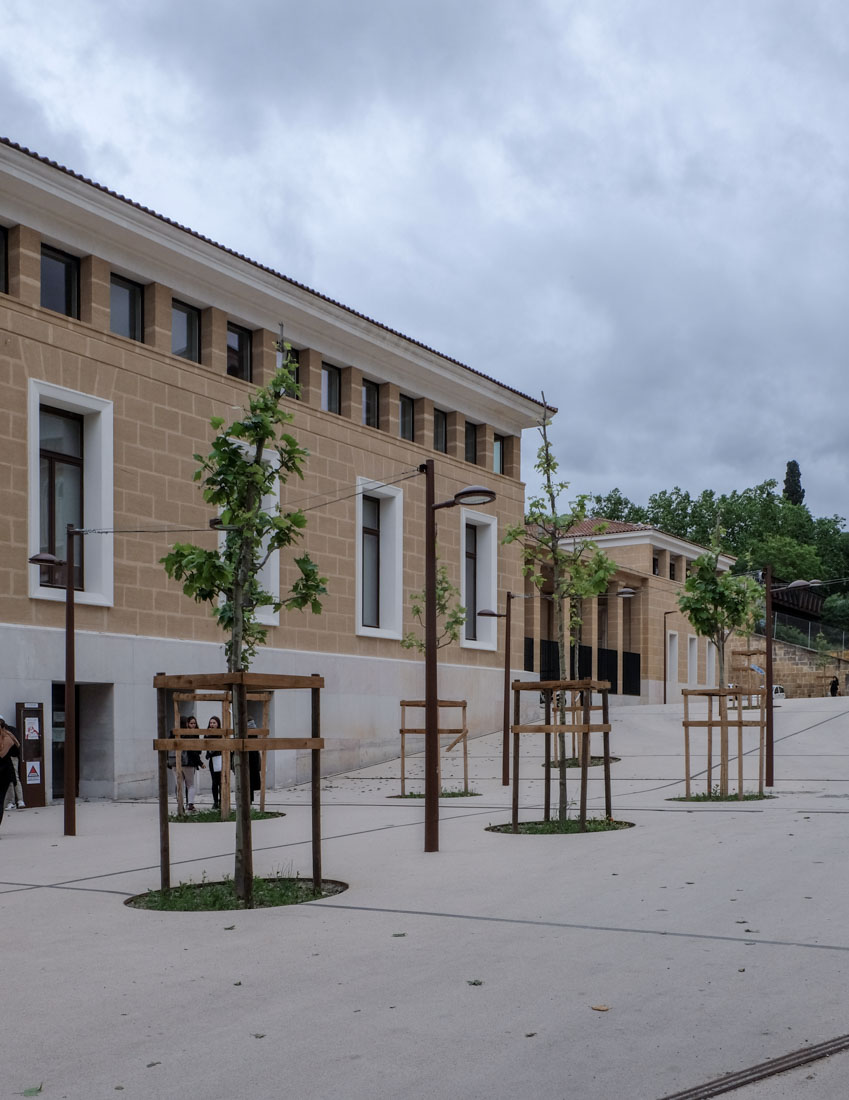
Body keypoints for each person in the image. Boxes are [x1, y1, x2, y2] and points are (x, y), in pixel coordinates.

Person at [178, 715, 205, 813]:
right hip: (188, 762)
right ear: (187, 724)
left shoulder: (181, 733)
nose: (193, 725)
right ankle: (190, 804)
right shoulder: (192, 734)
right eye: (191, 723)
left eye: (194, 723)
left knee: (183, 784)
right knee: (191, 785)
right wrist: (200, 762)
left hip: (182, 761)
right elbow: (193, 751)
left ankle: (184, 803)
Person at [0, 717, 21, 832]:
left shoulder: (7, 738)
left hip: (4, 773)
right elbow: (16, 752)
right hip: (5, 773)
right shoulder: (9, 737)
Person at [205, 715, 223, 810]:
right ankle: (215, 801)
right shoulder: (207, 733)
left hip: (220, 759)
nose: (212, 724)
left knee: (222, 781)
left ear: (218, 724)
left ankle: (222, 800)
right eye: (211, 723)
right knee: (215, 782)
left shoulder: (221, 733)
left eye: (214, 723)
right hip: (212, 760)